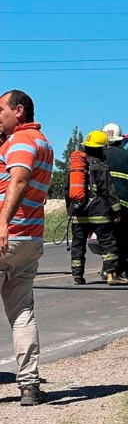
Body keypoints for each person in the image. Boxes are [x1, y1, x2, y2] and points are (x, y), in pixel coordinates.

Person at [0, 89, 54, 406]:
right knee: (22, 313)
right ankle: (30, 386)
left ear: (19, 111)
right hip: (30, 239)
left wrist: (2, 223)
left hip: (8, 235)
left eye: (0, 109)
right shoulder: (43, 142)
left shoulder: (22, 142)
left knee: (22, 313)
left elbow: (19, 180)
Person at [66, 130, 126, 285]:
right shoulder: (100, 166)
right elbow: (109, 190)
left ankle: (77, 276)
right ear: (101, 148)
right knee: (107, 242)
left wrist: (71, 209)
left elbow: (67, 190)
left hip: (78, 212)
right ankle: (112, 274)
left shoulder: (75, 168)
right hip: (99, 212)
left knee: (78, 244)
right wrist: (117, 210)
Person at [102, 123, 128, 280]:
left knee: (107, 239)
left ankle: (108, 270)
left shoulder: (100, 155)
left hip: (104, 204)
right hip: (125, 204)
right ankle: (120, 271)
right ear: (120, 139)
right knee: (121, 239)